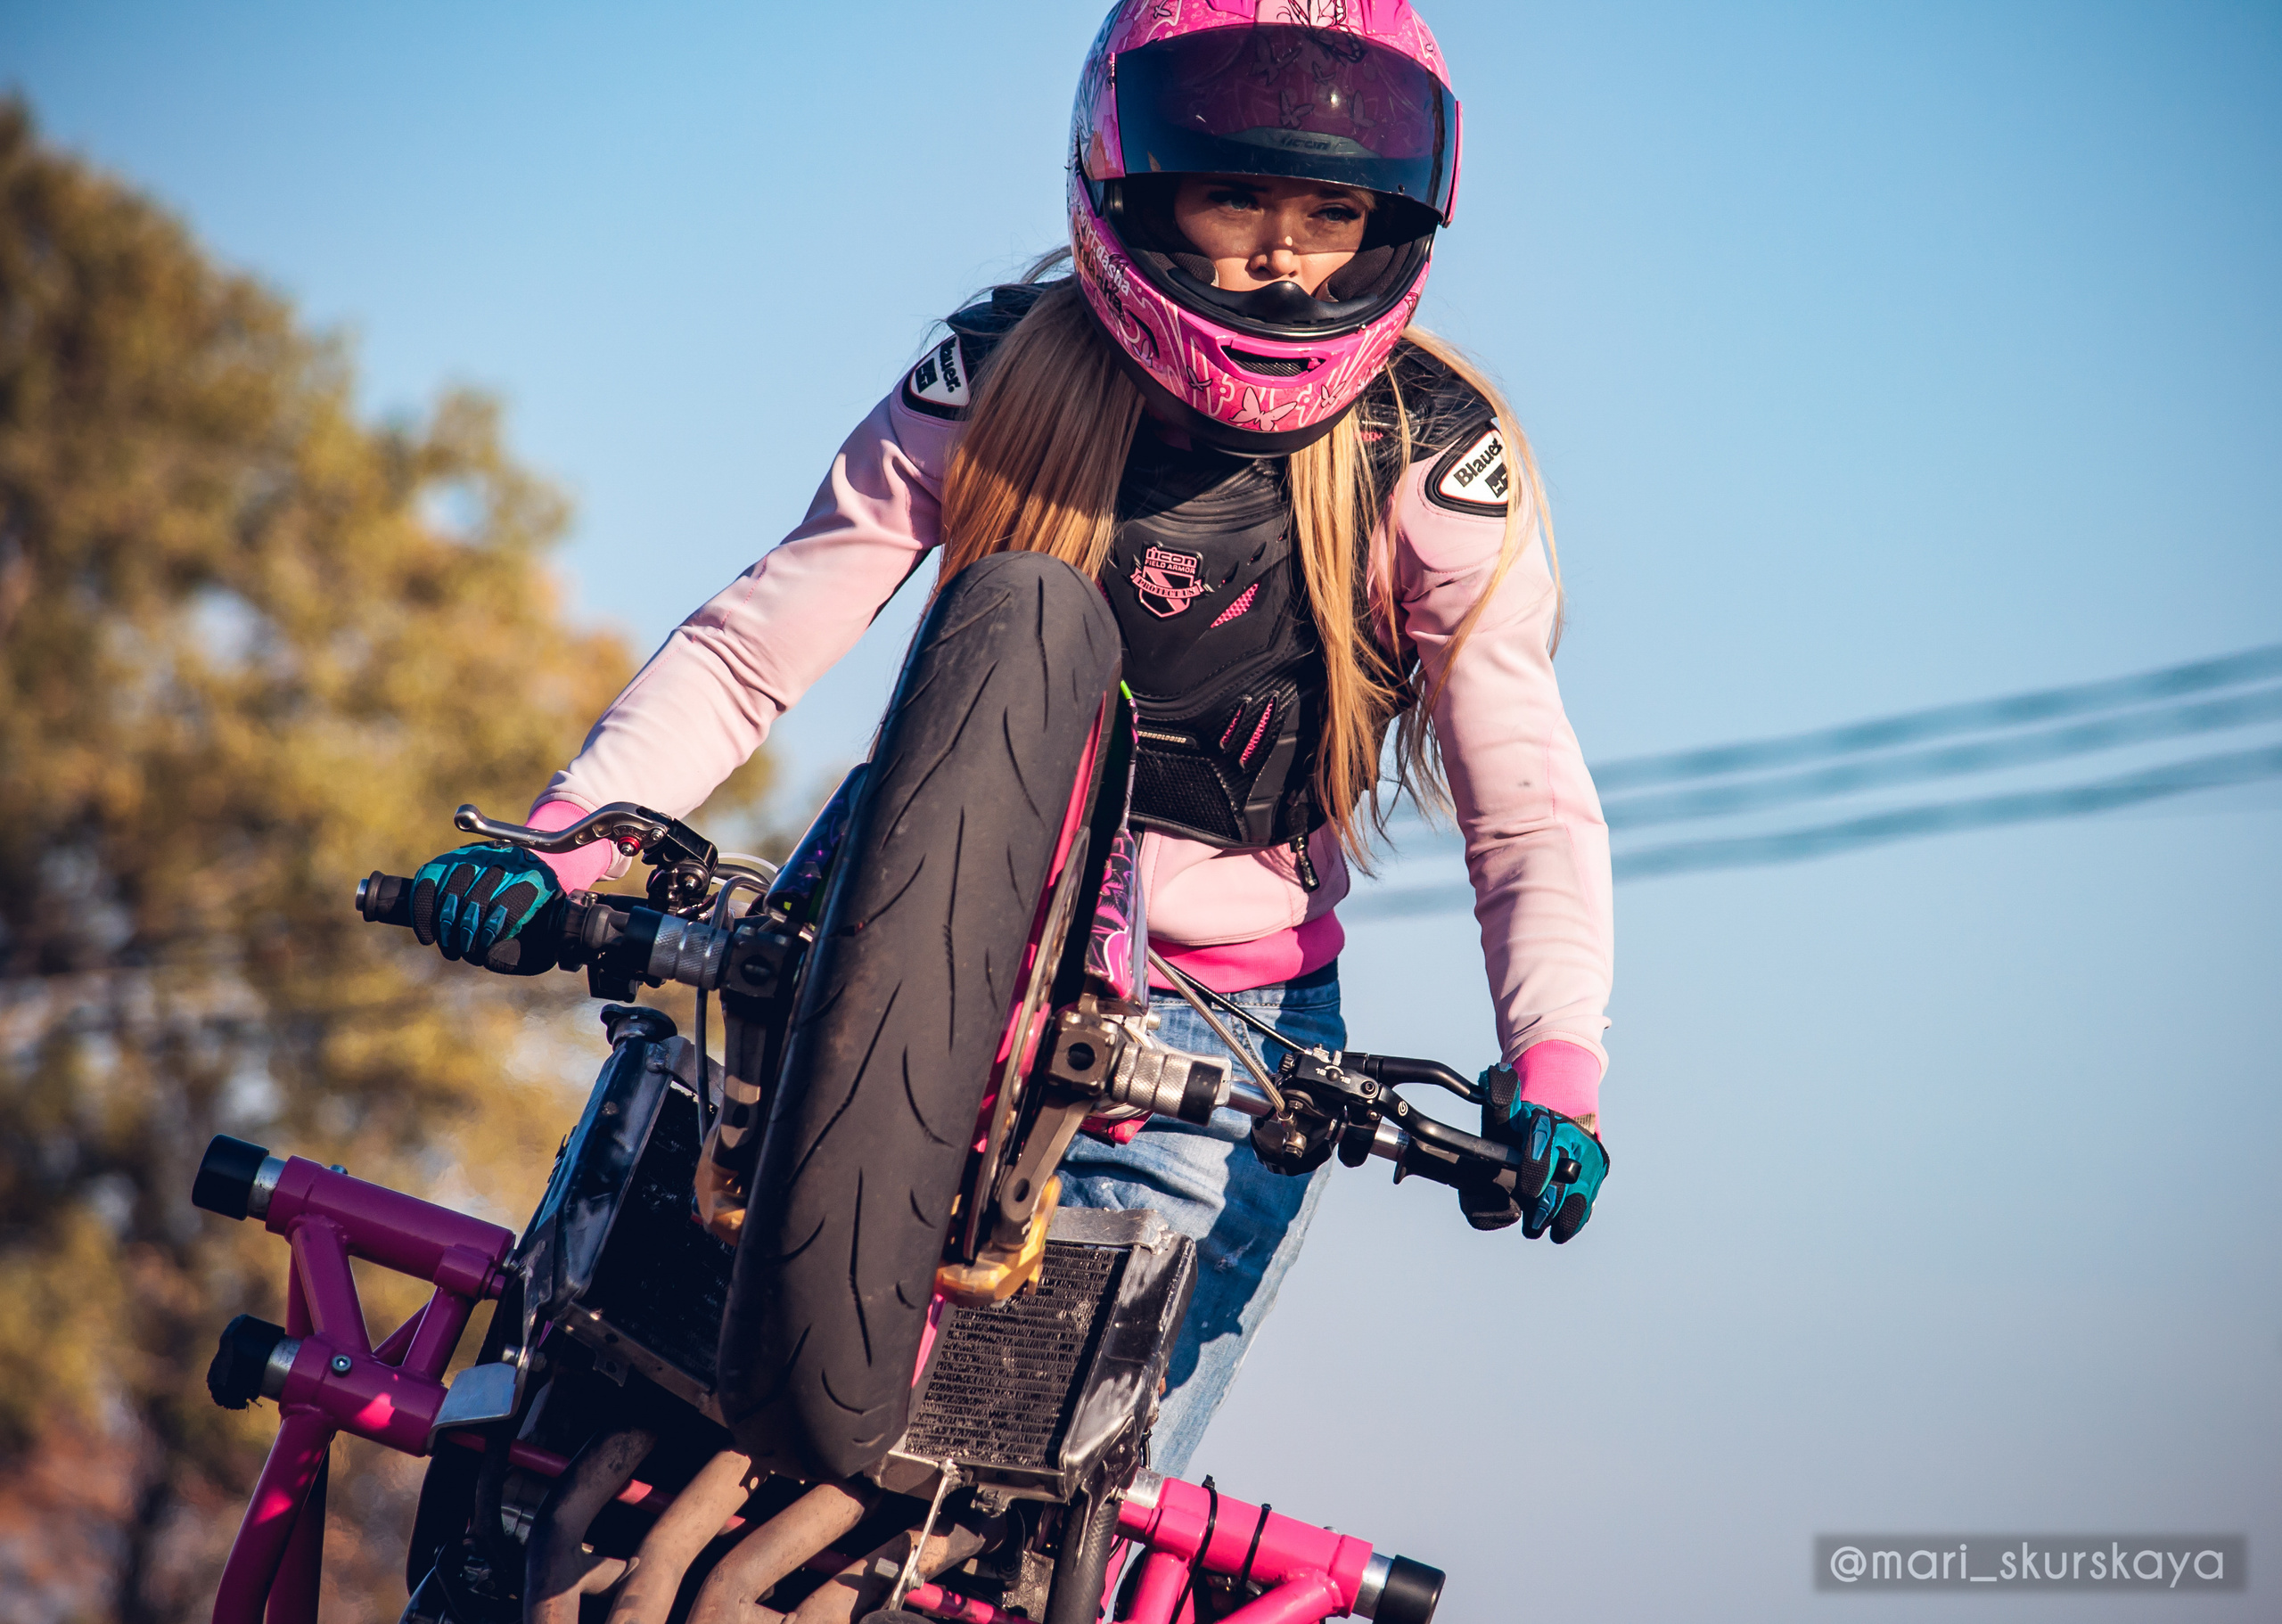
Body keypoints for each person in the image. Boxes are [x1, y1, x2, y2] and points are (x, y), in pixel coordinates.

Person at [411, 0, 1613, 1480]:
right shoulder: (994, 376)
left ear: (1394, 221)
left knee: (1036, 1513)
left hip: (1210, 1052)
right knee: (582, 1393)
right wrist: (565, 841)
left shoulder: (1431, 456)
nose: (1285, 252)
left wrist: (1553, 1064)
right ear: (1139, 180)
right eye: (1238, 192)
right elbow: (751, 650)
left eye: (1331, 206)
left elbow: (1527, 801)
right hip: (875, 961)